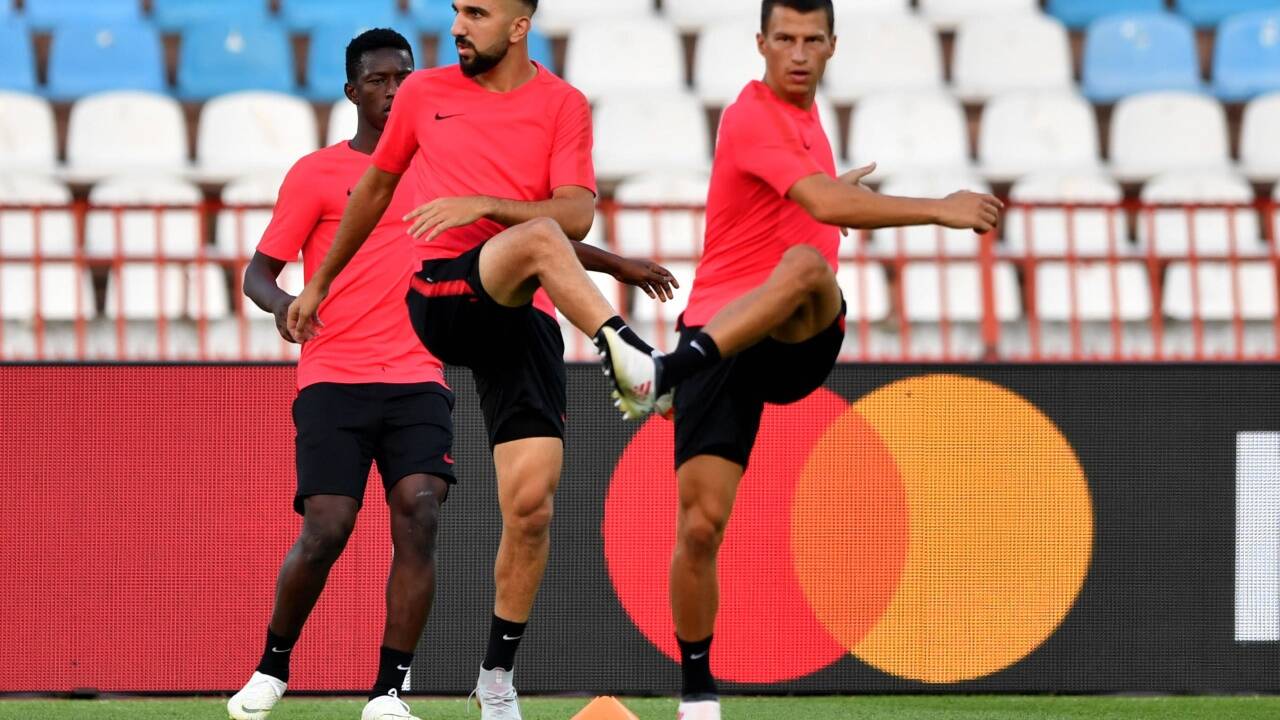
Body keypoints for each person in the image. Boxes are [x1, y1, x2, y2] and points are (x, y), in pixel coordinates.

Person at [601, 2, 1004, 718]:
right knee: (699, 526)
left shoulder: (809, 125)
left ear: (831, 47)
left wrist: (840, 194)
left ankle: (663, 374)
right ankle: (697, 699)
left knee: (806, 266)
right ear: (760, 43)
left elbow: (815, 206)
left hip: (796, 336)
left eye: (811, 39)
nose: (797, 52)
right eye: (783, 38)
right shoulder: (752, 113)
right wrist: (935, 207)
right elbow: (820, 199)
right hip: (725, 327)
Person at [287, 2, 675, 717]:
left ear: (520, 25)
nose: (459, 24)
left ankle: (496, 679)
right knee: (534, 240)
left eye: (476, 12)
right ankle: (629, 349)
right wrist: (318, 283)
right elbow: (373, 190)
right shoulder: (427, 94)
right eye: (458, 9)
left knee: (531, 508)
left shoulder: (561, 103)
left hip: (522, 312)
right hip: (442, 295)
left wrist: (484, 204)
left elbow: (575, 214)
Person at [227, 29, 452, 720]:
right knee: (328, 527)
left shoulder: (446, 169)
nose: (393, 90)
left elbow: (525, 230)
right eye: (379, 80)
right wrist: (285, 306)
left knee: (418, 512)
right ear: (353, 91)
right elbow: (258, 272)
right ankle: (273, 666)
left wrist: (613, 265)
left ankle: (388, 692)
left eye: (404, 78)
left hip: (418, 373)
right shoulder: (317, 173)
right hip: (334, 375)